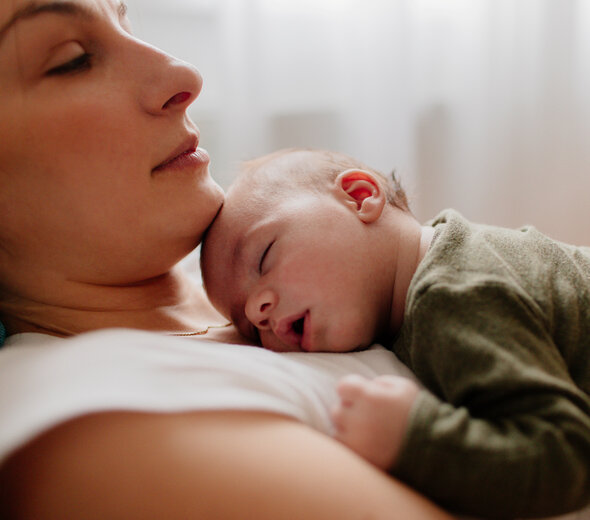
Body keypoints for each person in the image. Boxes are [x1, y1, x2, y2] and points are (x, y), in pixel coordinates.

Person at [0, 2, 460, 519]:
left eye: (128, 23)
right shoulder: (93, 426)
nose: (184, 76)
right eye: (72, 59)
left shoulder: (279, 276)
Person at [200, 147, 590, 519]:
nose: (257, 310)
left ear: (359, 197)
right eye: (249, 326)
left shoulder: (456, 295)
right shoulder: (445, 257)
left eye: (265, 256)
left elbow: (568, 457)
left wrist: (416, 438)